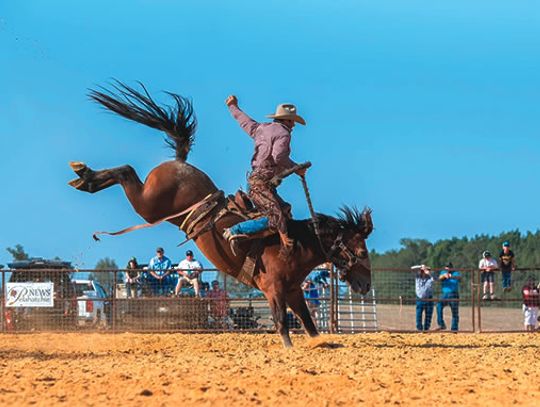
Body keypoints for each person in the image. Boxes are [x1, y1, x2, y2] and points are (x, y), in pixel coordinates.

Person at [222, 95, 307, 258]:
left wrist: (233, 106)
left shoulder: (261, 128)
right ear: (287, 121)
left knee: (284, 211)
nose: (294, 125)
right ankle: (235, 230)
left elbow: (244, 121)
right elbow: (278, 157)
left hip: (257, 180)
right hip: (261, 183)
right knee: (277, 217)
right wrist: (297, 169)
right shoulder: (284, 134)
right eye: (292, 121)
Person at [436, 262, 461, 332]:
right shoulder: (443, 272)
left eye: (449, 267)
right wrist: (444, 276)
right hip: (445, 294)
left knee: (455, 312)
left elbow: (459, 278)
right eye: (446, 267)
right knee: (438, 305)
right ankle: (441, 324)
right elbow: (439, 278)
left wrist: (451, 276)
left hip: (454, 294)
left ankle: (454, 329)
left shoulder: (456, 273)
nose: (447, 268)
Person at [411, 265, 434, 332]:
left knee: (429, 314)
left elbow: (436, 278)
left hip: (429, 298)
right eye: (422, 270)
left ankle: (426, 329)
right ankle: (419, 329)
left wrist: (428, 272)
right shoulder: (417, 276)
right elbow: (412, 268)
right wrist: (420, 266)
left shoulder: (430, 277)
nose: (424, 271)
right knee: (419, 314)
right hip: (420, 298)